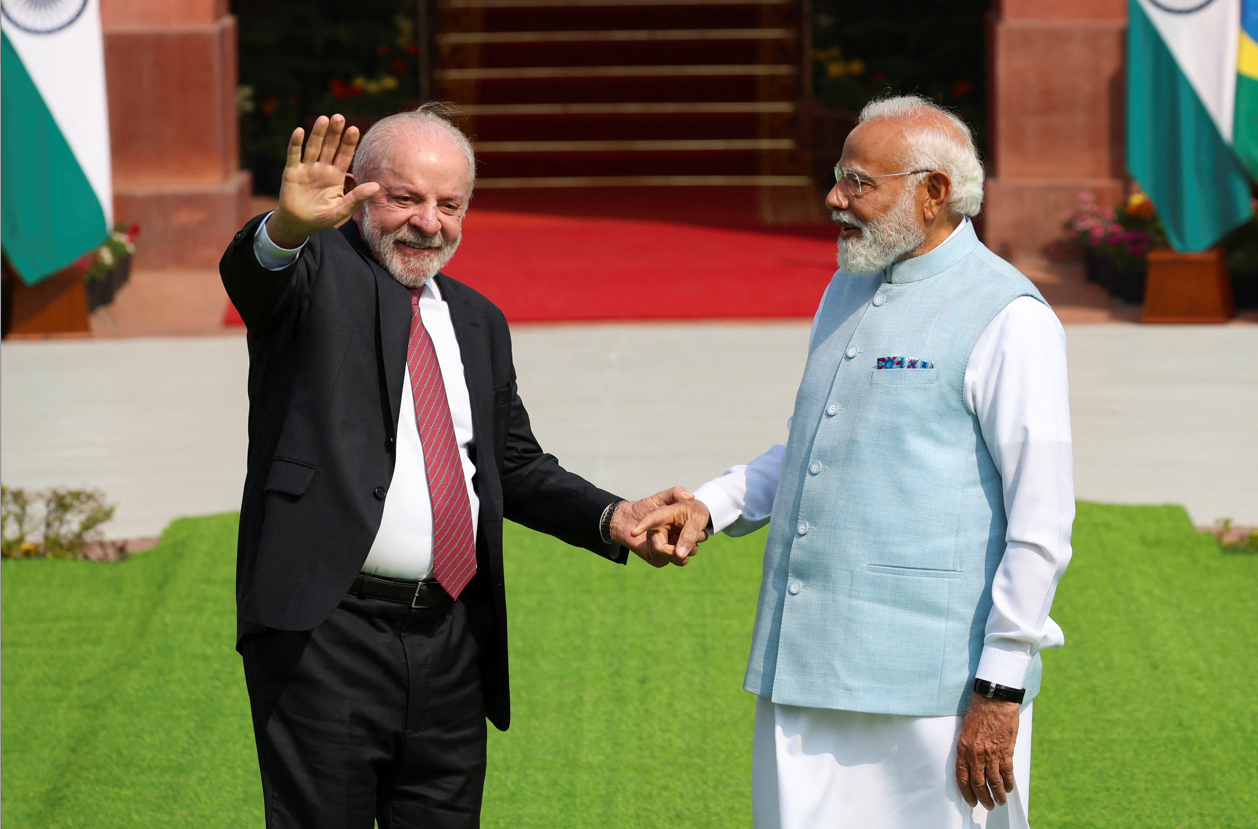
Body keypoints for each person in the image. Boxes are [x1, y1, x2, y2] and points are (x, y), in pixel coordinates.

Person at [220, 106, 698, 828]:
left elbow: (512, 464)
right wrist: (286, 229)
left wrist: (610, 516)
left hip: (452, 641)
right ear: (355, 191)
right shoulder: (313, 273)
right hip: (324, 636)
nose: (428, 223)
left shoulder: (478, 319)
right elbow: (254, 276)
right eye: (404, 198)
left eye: (450, 205)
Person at [636, 94, 1074, 828]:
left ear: (934, 192)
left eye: (858, 182)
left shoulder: (1011, 316)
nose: (835, 198)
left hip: (936, 692)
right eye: (839, 177)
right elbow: (817, 444)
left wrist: (999, 687)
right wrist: (714, 503)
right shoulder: (847, 284)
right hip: (802, 665)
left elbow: (1042, 522)